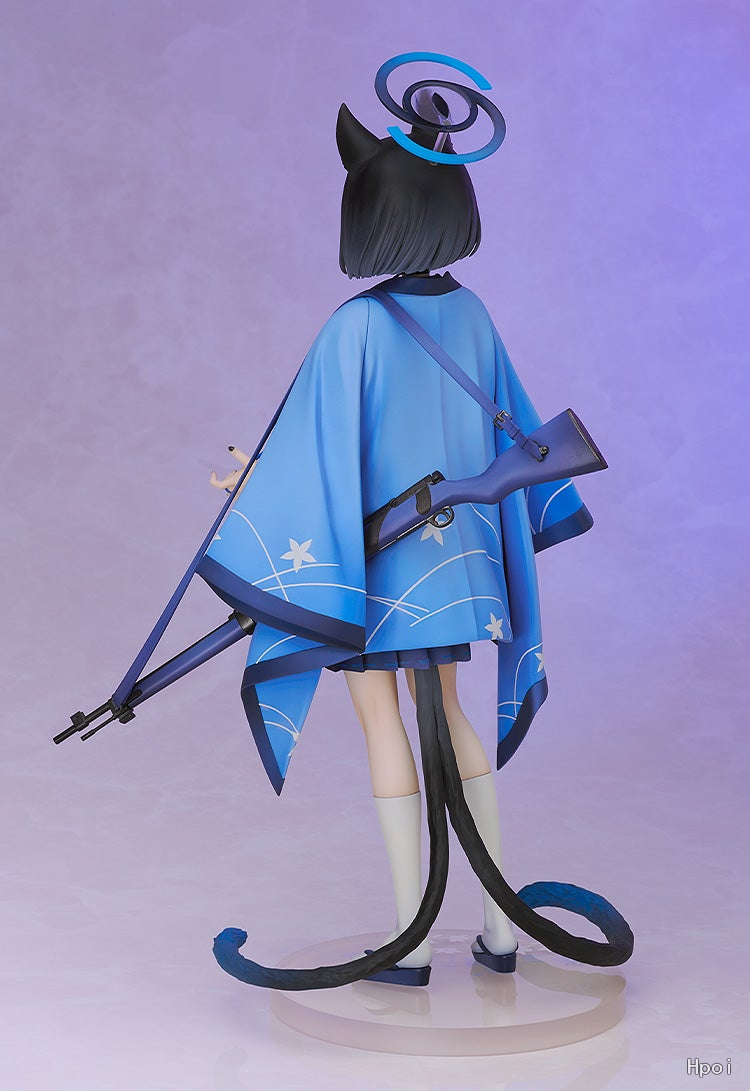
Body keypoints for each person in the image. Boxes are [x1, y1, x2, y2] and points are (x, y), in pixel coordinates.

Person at [206, 58, 621, 991]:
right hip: (455, 566)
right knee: (454, 713)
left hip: (374, 570)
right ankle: (500, 932)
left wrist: (249, 482)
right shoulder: (472, 313)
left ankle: (407, 941)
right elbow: (511, 426)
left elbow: (312, 453)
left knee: (381, 720)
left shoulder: (354, 327)